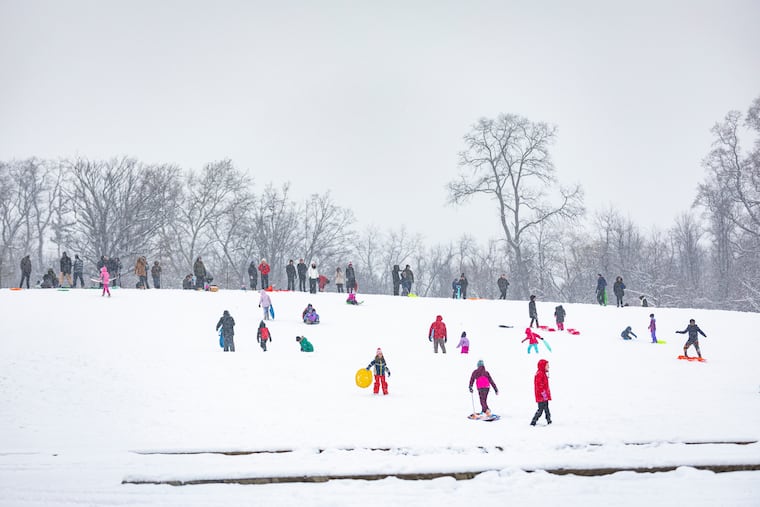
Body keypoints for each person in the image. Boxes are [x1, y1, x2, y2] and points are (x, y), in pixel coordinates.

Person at [530, 359, 552, 426]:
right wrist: (544, 394)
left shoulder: (543, 373)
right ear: (543, 366)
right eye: (547, 366)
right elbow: (540, 386)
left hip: (544, 395)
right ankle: (534, 421)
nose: (548, 367)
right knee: (541, 409)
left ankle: (549, 420)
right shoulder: (539, 374)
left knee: (546, 408)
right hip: (541, 396)